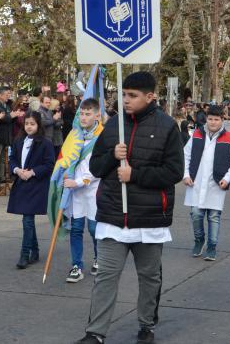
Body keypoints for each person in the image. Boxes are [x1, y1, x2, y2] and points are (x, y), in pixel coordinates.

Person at [75, 72, 184, 344]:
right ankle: (95, 332)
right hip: (113, 216)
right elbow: (97, 167)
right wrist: (112, 156)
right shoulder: (112, 127)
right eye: (124, 95)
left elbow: (174, 172)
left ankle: (146, 326)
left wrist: (134, 174)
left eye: (132, 96)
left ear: (150, 97)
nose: (126, 100)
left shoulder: (168, 126)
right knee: (106, 278)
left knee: (149, 277)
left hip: (149, 219)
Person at [183, 105, 230, 261]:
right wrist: (186, 174)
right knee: (196, 214)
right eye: (210, 119)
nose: (213, 122)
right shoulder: (196, 134)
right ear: (206, 119)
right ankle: (199, 240)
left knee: (214, 216)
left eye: (216, 119)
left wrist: (228, 178)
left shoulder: (229, 138)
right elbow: (186, 156)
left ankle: (212, 246)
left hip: (216, 184)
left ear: (222, 120)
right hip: (196, 182)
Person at [7, 111, 55, 269]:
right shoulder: (19, 140)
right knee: (28, 219)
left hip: (37, 184)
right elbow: (12, 159)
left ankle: (24, 254)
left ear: (38, 125)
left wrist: (32, 172)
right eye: (27, 123)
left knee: (27, 219)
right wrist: (17, 170)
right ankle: (34, 251)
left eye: (32, 124)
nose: (29, 126)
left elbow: (49, 164)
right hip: (22, 182)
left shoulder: (45, 142)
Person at [64, 98, 103, 282]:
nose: (84, 117)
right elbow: (65, 157)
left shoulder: (102, 137)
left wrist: (78, 182)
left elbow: (98, 169)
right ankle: (76, 266)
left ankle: (99, 258)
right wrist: (63, 172)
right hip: (75, 191)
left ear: (97, 115)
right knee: (76, 229)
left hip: (93, 190)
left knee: (95, 229)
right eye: (81, 113)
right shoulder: (74, 134)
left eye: (88, 114)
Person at [0, 87, 21, 195]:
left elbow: (9, 119)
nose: (9, 96)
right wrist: (10, 116)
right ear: (0, 95)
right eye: (7, 94)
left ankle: (3, 176)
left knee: (4, 157)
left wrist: (14, 116)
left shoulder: (7, 105)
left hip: (6, 135)